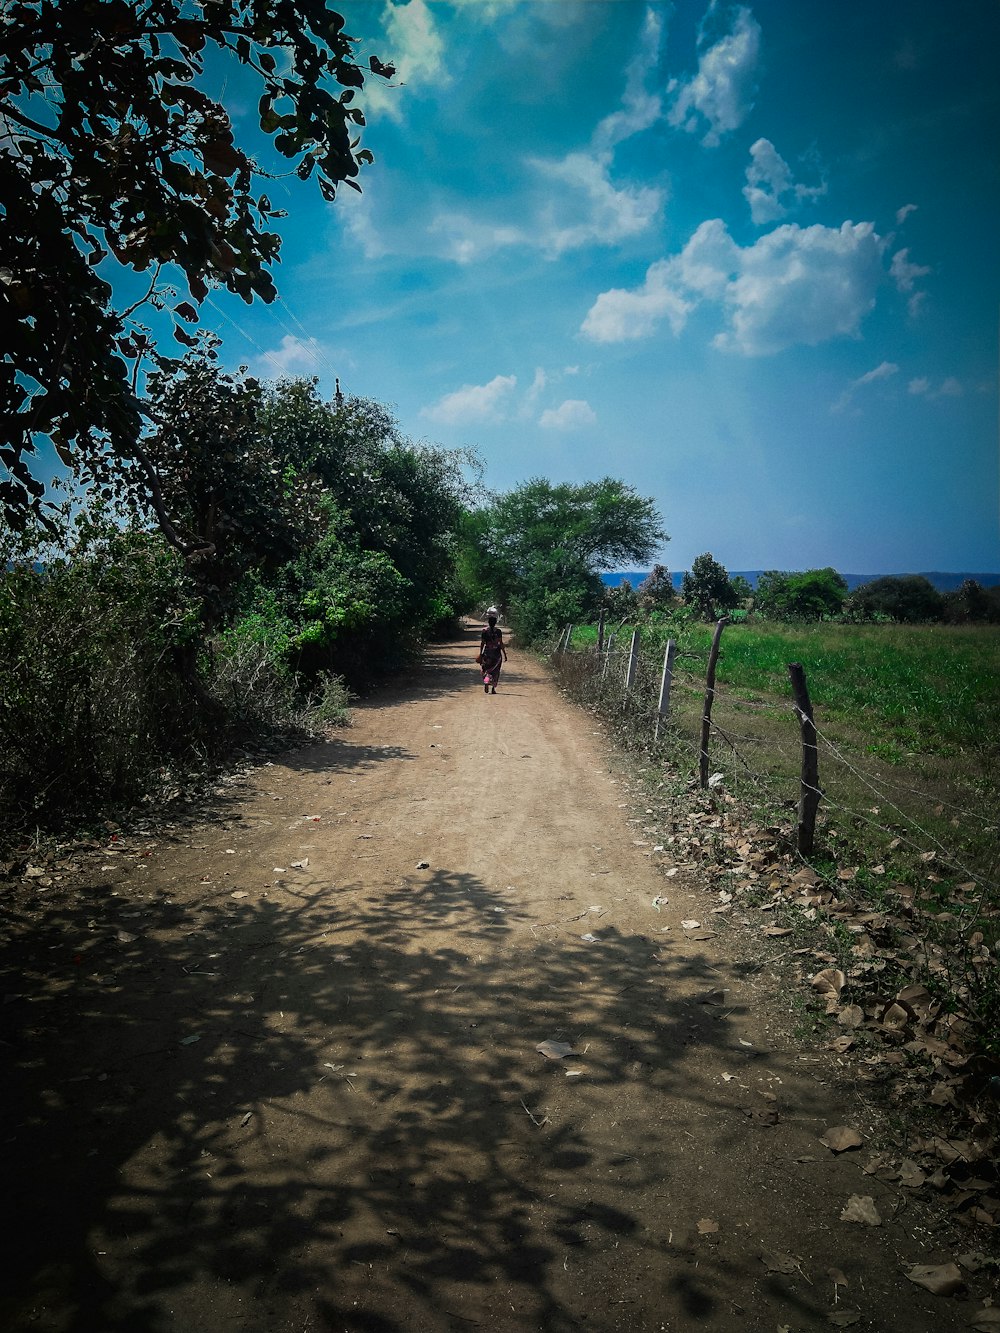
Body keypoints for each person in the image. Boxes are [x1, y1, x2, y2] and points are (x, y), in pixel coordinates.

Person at [478, 607, 508, 694]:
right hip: (496, 654)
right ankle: (493, 689)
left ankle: (486, 681)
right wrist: (505, 654)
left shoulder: (484, 631)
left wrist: (481, 654)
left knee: (486, 669)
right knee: (496, 671)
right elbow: (501, 643)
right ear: (495, 622)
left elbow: (482, 643)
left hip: (487, 653)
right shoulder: (498, 631)